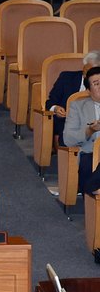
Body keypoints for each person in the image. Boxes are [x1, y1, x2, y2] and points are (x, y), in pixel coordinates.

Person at [63, 66, 100, 195]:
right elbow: (68, 139)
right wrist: (89, 130)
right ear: (89, 90)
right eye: (96, 84)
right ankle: (90, 191)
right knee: (88, 163)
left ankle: (91, 189)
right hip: (90, 153)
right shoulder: (77, 106)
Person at [47, 50, 100, 137]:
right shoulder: (66, 78)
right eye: (87, 71)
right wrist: (56, 108)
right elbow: (50, 102)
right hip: (68, 123)